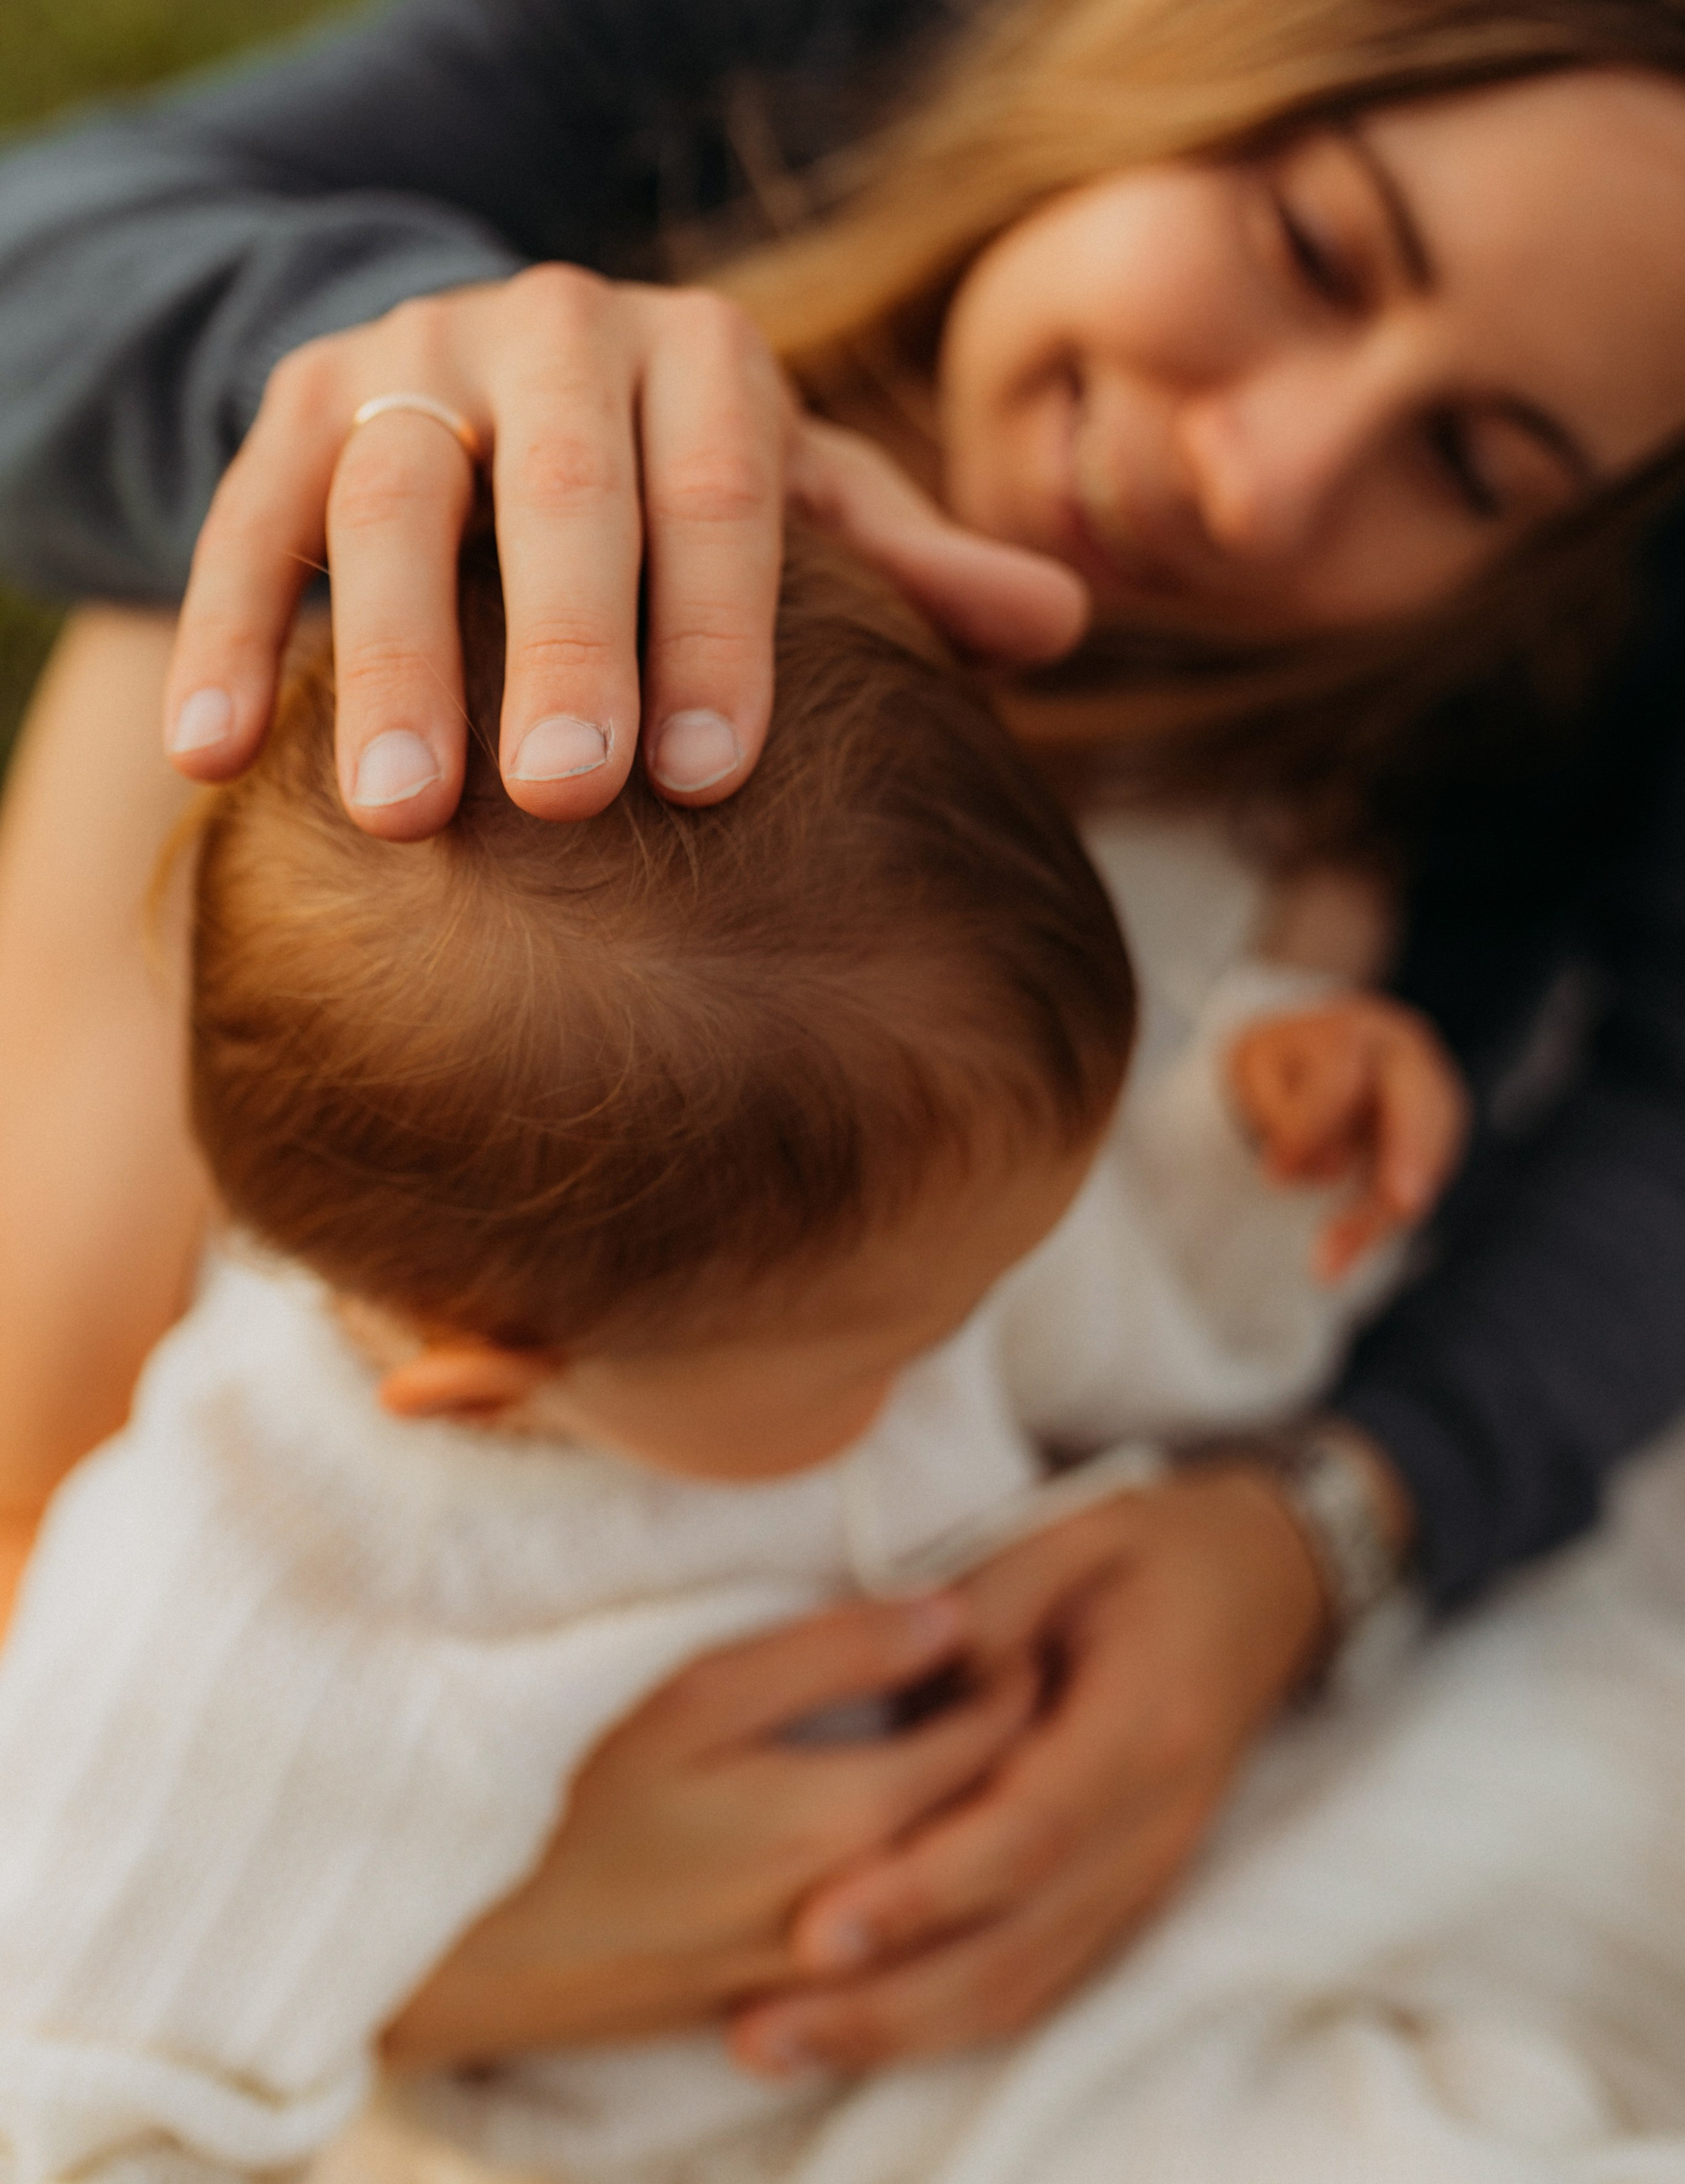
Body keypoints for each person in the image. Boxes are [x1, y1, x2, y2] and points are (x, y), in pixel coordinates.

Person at [3, 0, 1685, 2087]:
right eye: (1311, 244)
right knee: (212, 598)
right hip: (347, 1870)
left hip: (1060, 1860)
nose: (1270, 478)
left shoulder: (1349, 801)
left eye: (1486, 469)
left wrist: (1320, 1526)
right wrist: (387, 377)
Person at [0, 528, 1465, 2183]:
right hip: (683, 2124)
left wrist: (1251, 1164)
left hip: (1062, 1934)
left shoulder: (847, 1243)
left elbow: (1141, 1333)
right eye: (912, 1333)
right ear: (496, 1384)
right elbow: (78, 2058)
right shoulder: (239, 1583)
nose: (966, 1342)